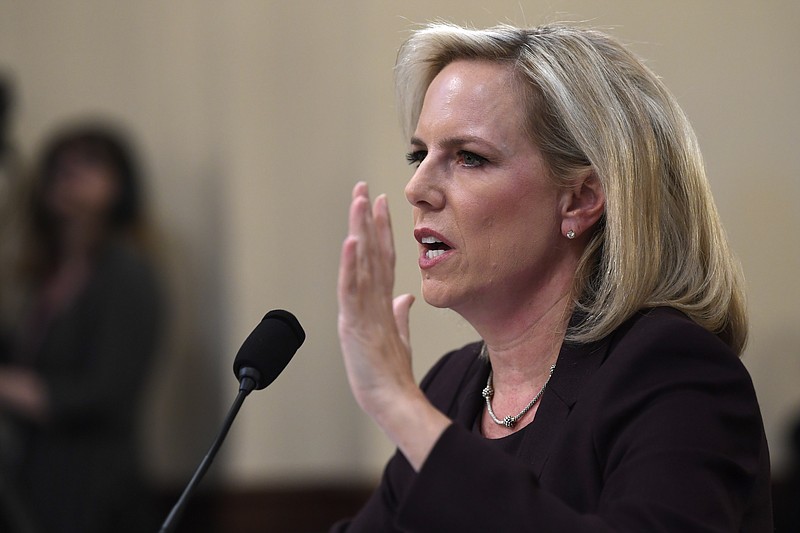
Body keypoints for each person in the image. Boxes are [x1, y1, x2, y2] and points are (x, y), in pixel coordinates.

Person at [333, 23, 771, 532]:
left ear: (581, 199)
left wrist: (400, 408)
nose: (417, 187)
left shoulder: (673, 374)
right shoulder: (451, 387)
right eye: (419, 155)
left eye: (469, 158)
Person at [0, 121, 163, 533]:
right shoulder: (39, 275)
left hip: (91, 487)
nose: (67, 173)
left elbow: (103, 393)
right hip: (30, 479)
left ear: (120, 183)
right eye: (59, 163)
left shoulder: (126, 273)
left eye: (88, 162)